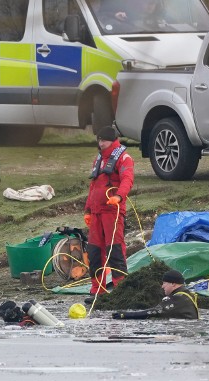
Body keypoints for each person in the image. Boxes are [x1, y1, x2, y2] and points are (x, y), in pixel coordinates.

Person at [84, 126, 134, 302]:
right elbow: (93, 186)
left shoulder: (124, 158)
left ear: (112, 141)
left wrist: (119, 197)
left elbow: (128, 179)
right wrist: (88, 210)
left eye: (103, 140)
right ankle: (98, 289)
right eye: (99, 140)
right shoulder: (99, 159)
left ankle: (121, 289)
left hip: (113, 211)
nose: (100, 143)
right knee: (94, 252)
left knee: (115, 250)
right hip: (97, 212)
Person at [112, 269, 199, 319]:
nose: (162, 286)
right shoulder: (186, 295)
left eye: (164, 283)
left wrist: (125, 315)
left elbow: (153, 312)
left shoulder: (178, 298)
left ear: (173, 284)